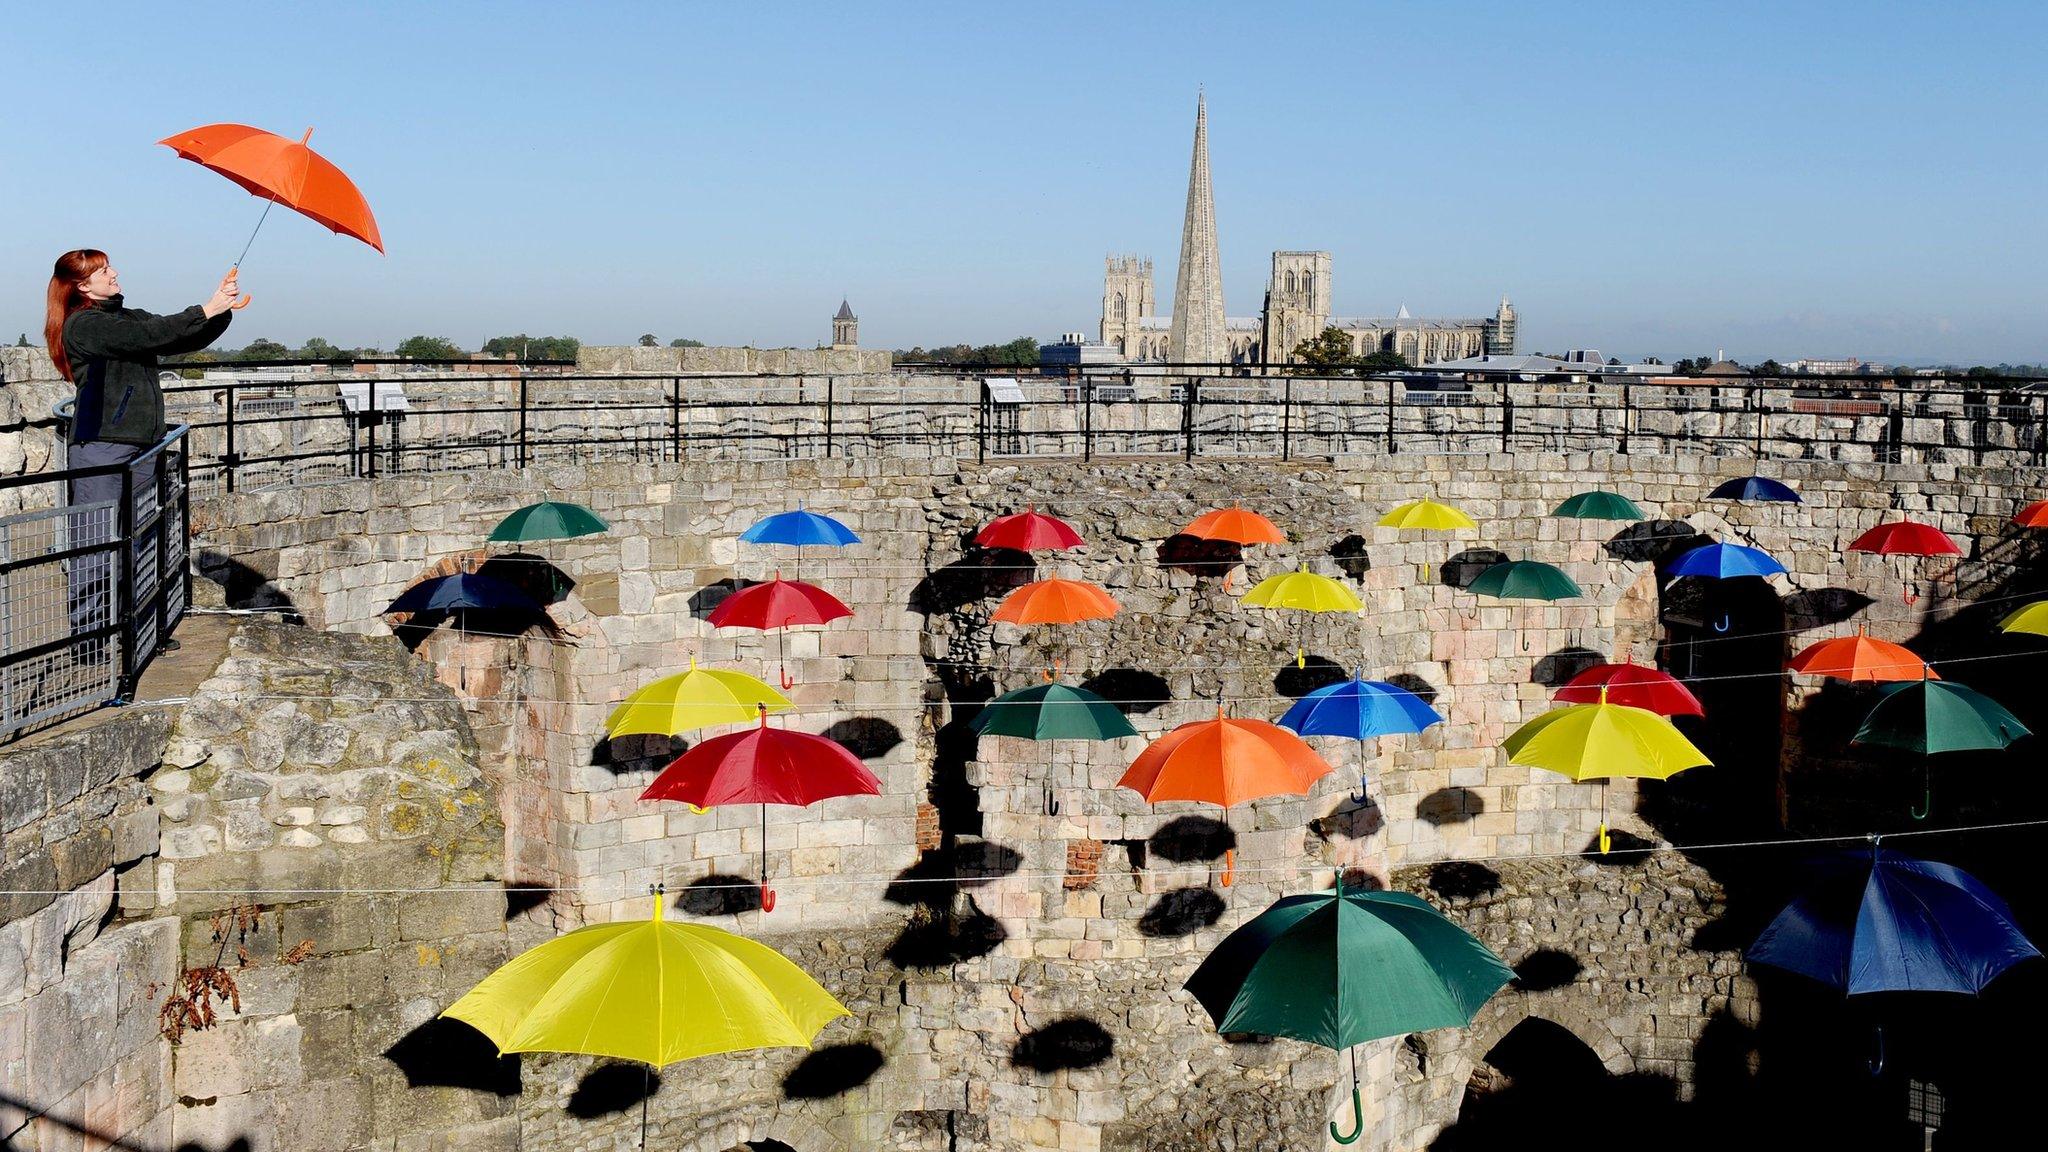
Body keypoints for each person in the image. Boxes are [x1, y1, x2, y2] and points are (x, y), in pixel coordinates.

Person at [43, 249, 247, 666]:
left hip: (141, 444)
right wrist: (205, 307)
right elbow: (149, 337)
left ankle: (140, 630)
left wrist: (221, 309)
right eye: (104, 271)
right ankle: (89, 638)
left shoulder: (126, 316)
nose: (114, 273)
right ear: (83, 285)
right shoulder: (84, 324)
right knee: (96, 544)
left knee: (142, 541)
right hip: (101, 443)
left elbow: (177, 337)